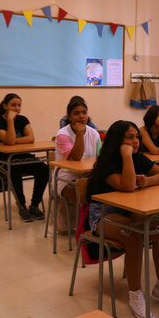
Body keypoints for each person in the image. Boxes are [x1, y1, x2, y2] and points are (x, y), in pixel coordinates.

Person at [88, 120, 159, 318]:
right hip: (103, 215)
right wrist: (126, 155)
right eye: (129, 138)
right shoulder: (107, 163)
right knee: (133, 236)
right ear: (118, 142)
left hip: (129, 210)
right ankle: (135, 294)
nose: (135, 141)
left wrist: (148, 181)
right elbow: (128, 186)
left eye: (136, 137)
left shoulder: (137, 157)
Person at [0, 93, 49, 222]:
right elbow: (11, 141)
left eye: (19, 105)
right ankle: (22, 206)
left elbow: (30, 138)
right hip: (3, 160)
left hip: (23, 157)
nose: (17, 108)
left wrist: (9, 140)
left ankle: (34, 205)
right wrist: (10, 121)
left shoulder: (23, 119)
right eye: (13, 105)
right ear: (5, 106)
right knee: (14, 170)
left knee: (43, 169)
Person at [54, 96, 102, 233]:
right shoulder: (62, 134)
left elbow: (100, 157)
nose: (81, 116)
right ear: (69, 117)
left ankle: (96, 225)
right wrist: (80, 134)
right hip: (66, 178)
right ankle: (86, 228)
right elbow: (76, 157)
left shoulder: (94, 133)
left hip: (88, 175)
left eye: (84, 112)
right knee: (83, 192)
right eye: (76, 113)